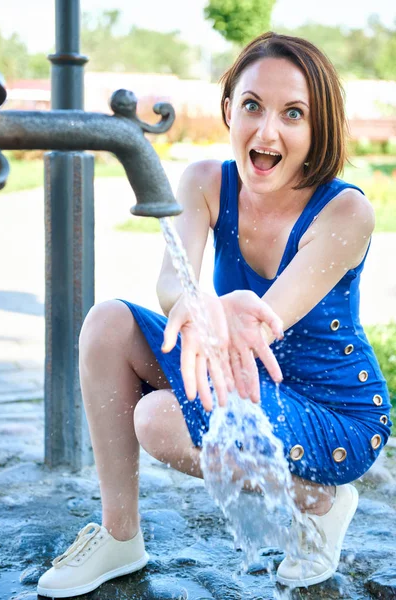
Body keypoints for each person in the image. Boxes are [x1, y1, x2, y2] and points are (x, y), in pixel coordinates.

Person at [37, 31, 392, 597]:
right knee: (108, 322)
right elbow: (172, 284)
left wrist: (220, 313)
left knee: (158, 419)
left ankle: (319, 502)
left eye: (293, 113)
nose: (266, 130)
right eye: (251, 105)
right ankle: (119, 536)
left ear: (317, 128)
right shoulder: (205, 182)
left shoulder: (346, 211)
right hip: (244, 383)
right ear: (228, 110)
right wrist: (193, 302)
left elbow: (263, 321)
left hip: (335, 415)